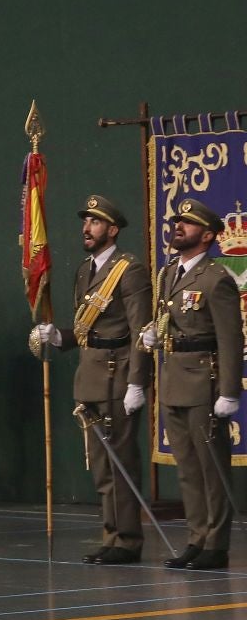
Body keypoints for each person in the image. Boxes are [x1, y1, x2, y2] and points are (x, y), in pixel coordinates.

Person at [33, 195, 153, 564]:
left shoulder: (128, 269)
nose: (87, 228)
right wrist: (60, 337)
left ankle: (128, 540)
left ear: (112, 230)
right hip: (90, 373)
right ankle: (112, 534)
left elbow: (139, 330)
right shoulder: (85, 270)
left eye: (96, 222)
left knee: (121, 463)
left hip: (117, 376)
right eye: (86, 221)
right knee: (102, 465)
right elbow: (88, 332)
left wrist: (138, 382)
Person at [145, 198, 241, 570]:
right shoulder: (169, 274)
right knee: (187, 468)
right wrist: (154, 334)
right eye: (178, 221)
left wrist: (229, 392)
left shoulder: (216, 279)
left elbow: (231, 339)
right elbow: (168, 320)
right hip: (174, 377)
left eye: (188, 223)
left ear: (208, 235)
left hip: (205, 381)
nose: (179, 226)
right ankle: (197, 537)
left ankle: (216, 544)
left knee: (210, 468)